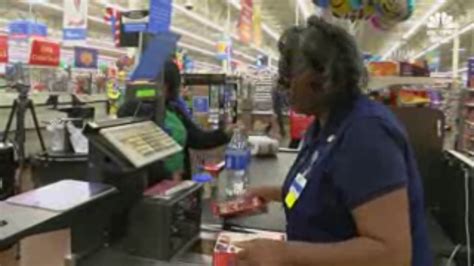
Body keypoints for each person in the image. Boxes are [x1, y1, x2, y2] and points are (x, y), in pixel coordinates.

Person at [236, 16, 432, 266]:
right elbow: (323, 187)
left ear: (323, 76)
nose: (284, 85)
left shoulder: (366, 133)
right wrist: (274, 194)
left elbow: (391, 254)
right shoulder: (322, 125)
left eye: (289, 74)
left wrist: (285, 254)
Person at [118, 60, 231, 182]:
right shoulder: (135, 109)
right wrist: (167, 176)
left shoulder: (174, 109)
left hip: (178, 183)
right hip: (151, 186)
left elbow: (197, 138)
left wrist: (225, 133)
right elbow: (137, 154)